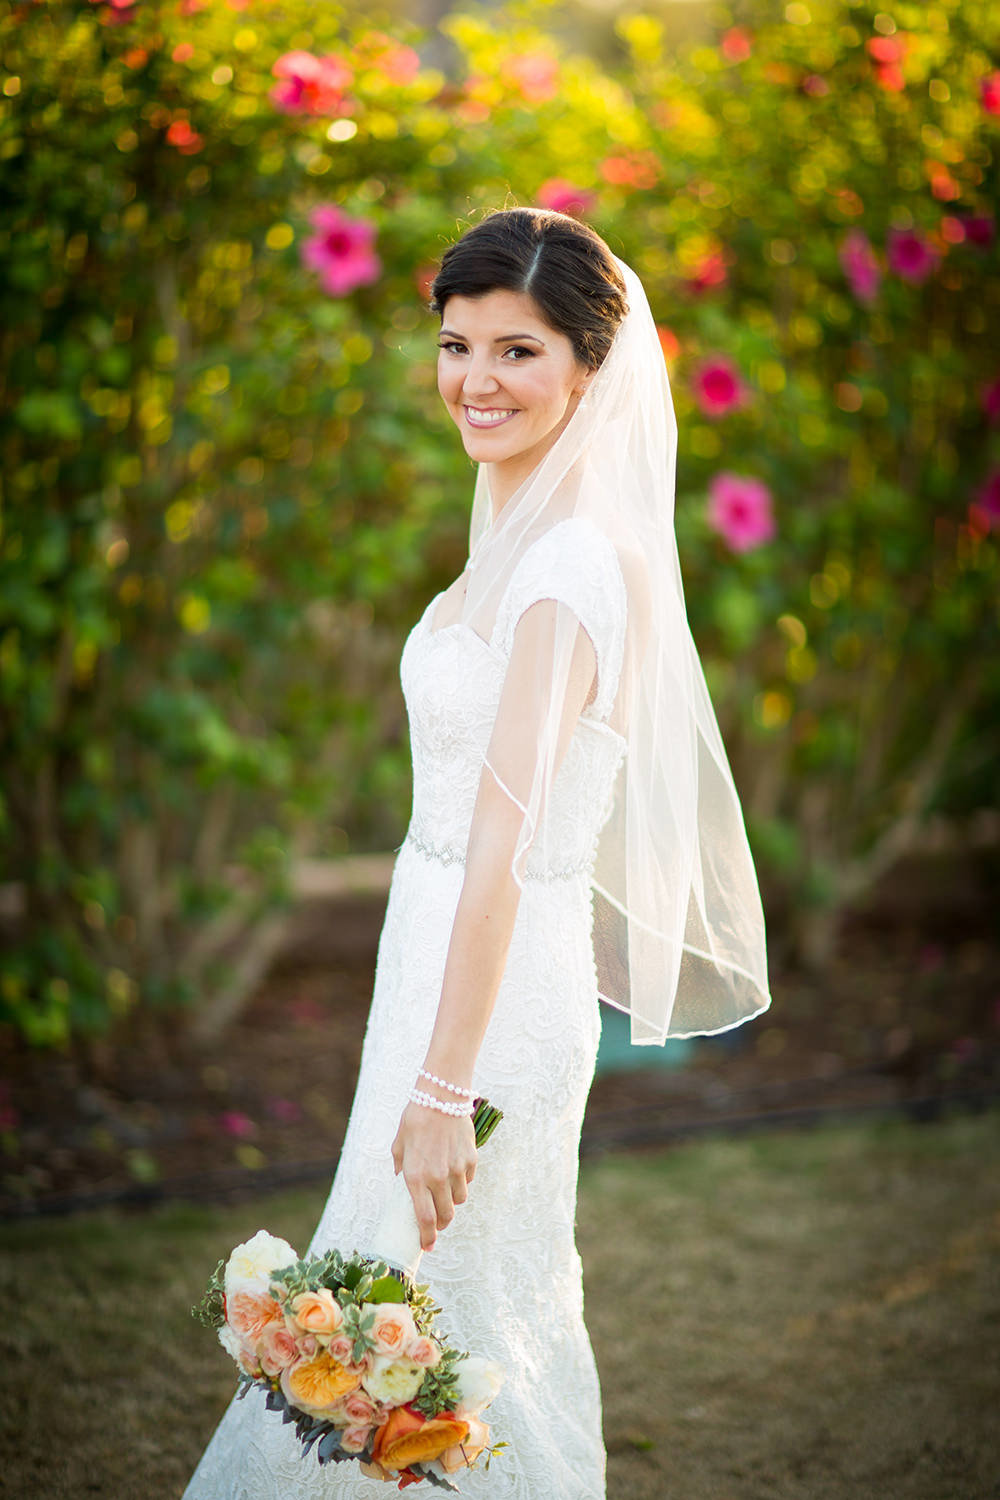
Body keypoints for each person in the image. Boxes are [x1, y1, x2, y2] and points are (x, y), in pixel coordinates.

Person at [182, 207, 770, 1500]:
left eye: (519, 352)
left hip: (493, 1002)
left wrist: (445, 1089)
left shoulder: (568, 567)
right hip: (434, 961)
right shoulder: (508, 524)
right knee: (394, 1317)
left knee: (434, 1329)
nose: (478, 382)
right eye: (458, 347)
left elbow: (505, 837)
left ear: (588, 372)